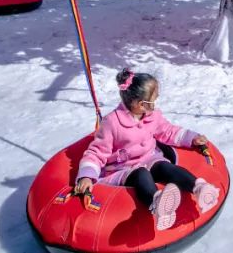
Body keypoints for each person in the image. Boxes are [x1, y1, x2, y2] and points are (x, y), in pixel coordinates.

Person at [73, 69, 221, 231]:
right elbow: (96, 152)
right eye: (153, 100)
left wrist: (190, 138)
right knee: (141, 174)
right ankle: (157, 203)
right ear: (141, 104)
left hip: (149, 158)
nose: (155, 103)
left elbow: (167, 131)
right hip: (122, 169)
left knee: (165, 166)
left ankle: (198, 188)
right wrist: (87, 176)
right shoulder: (112, 124)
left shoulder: (152, 116)